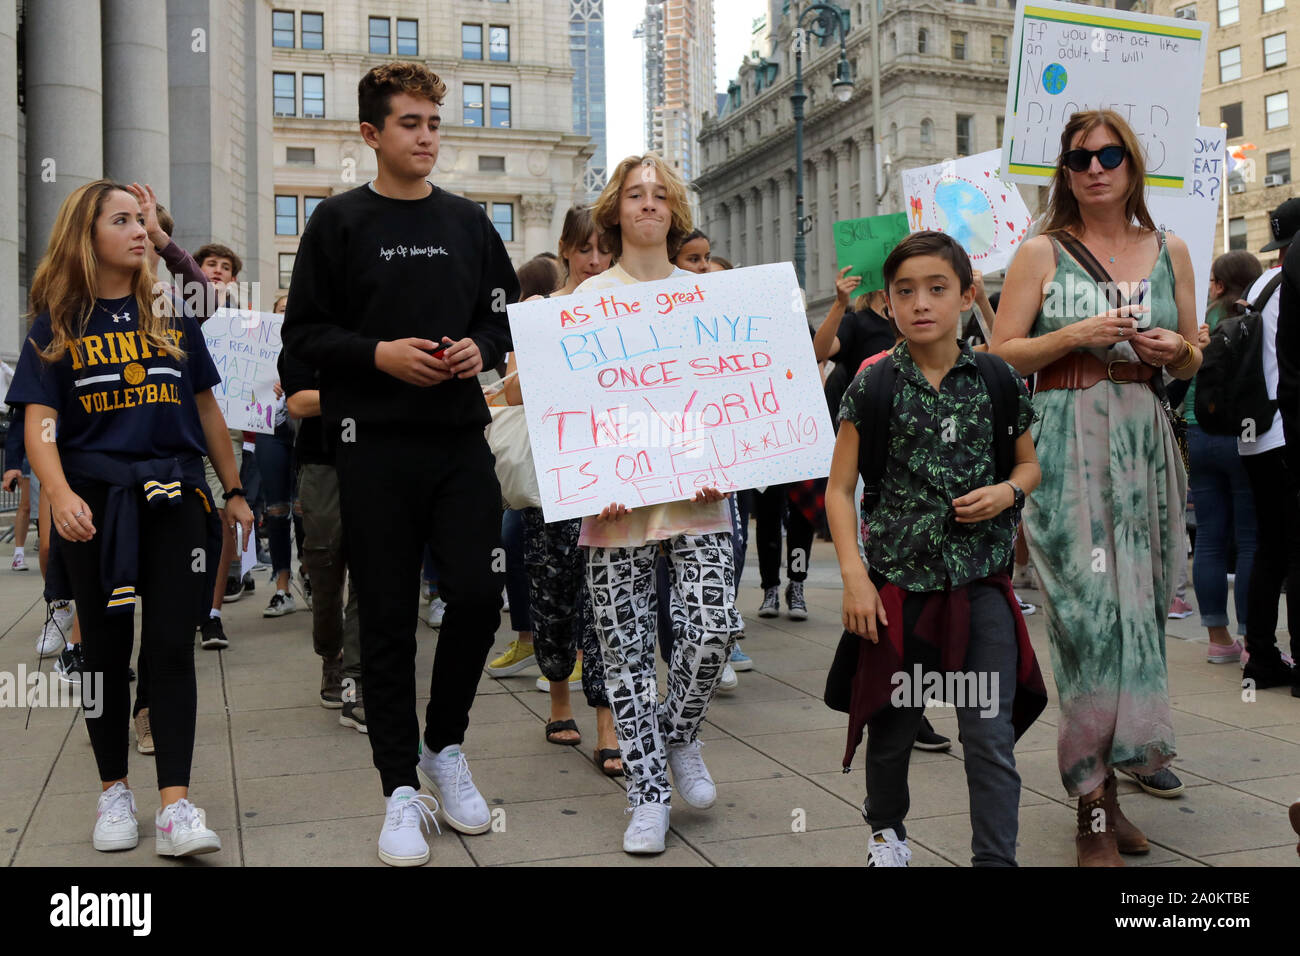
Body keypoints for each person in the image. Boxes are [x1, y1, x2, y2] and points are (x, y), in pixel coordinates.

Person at [281, 62, 517, 867]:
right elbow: (301, 342)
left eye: (433, 123)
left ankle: (443, 746)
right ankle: (397, 789)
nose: (425, 137)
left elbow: (502, 321)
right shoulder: (338, 222)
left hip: (458, 442)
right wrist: (379, 355)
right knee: (383, 621)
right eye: (410, 123)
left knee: (480, 598)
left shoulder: (469, 221)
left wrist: (474, 352)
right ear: (371, 134)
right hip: (370, 449)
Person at [7, 179, 253, 857]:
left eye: (142, 219)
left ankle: (175, 804)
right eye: (123, 220)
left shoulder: (172, 315)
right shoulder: (56, 325)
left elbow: (206, 409)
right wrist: (57, 496)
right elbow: (40, 425)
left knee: (172, 648)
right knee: (104, 654)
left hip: (175, 503)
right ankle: (113, 789)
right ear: (87, 238)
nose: (140, 230)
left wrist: (231, 490)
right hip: (95, 510)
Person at [992, 109, 1200, 865]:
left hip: (1146, 441)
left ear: (1133, 164)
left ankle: (1113, 788)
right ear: (1065, 172)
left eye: (1110, 154)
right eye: (1080, 158)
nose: (1096, 167)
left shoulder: (1170, 246)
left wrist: (1177, 349)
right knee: (1085, 621)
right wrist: (1074, 335)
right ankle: (1090, 808)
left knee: (1140, 613)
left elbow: (1194, 357)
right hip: (1067, 437)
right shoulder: (1039, 252)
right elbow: (1003, 352)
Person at [826, 230, 1044, 866]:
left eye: (937, 288)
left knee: (988, 737)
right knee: (891, 733)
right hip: (897, 593)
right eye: (905, 291)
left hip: (979, 591)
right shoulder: (873, 384)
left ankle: (994, 860)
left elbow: (1029, 466)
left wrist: (1007, 492)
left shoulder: (1000, 378)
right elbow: (840, 491)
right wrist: (854, 579)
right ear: (888, 302)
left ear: (967, 295)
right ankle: (887, 840)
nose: (921, 302)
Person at [574, 153, 743, 855]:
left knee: (710, 629)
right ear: (615, 211)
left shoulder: (704, 297)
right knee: (625, 653)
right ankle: (647, 795)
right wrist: (588, 471)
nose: (647, 204)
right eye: (635, 194)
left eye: (659, 195)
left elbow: (734, 396)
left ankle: (678, 733)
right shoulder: (585, 303)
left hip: (699, 492)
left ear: (674, 211)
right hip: (615, 499)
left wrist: (726, 458)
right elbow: (569, 409)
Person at [495, 204, 621, 773]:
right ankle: (559, 701)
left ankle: (607, 721)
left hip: (615, 476)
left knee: (608, 601)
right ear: (566, 250)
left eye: (604, 250)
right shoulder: (539, 310)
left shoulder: (630, 305)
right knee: (553, 594)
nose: (595, 261)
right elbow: (514, 392)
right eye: (584, 249)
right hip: (553, 477)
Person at [279, 301, 366, 731]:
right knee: (326, 570)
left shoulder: (377, 324)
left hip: (376, 461)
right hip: (321, 465)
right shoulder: (302, 336)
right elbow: (297, 403)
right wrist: (360, 396)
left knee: (371, 572)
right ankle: (331, 658)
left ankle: (356, 680)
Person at [1181, 251, 1262, 665]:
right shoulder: (1256, 318)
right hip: (1244, 436)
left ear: (1218, 284)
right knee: (1250, 539)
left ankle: (1218, 639)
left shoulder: (1199, 322)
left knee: (1209, 537)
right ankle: (1252, 643)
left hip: (1197, 433)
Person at [1237, 198, 1300, 695]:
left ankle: (1259, 656)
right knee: (1294, 550)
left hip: (1252, 431)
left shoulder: (1260, 285)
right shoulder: (1291, 285)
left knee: (1268, 548)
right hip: (1284, 427)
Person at [254, 294, 301, 618]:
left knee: (305, 507)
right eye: (282, 309)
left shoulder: (310, 339)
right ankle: (282, 587)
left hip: (307, 431)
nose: (288, 314)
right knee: (276, 509)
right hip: (269, 430)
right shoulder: (258, 345)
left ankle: (311, 572)